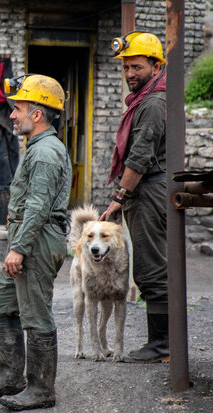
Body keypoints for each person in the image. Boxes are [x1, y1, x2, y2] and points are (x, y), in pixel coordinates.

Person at [0, 74, 71, 411]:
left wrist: (18, 249)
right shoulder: (38, 148)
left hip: (37, 242)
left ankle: (42, 389)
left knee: (36, 316)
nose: (13, 115)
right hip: (30, 239)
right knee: (1, 306)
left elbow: (38, 207)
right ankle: (11, 379)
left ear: (38, 114)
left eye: (18, 108)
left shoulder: (45, 153)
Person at [100, 31, 168, 363]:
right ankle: (163, 342)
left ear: (156, 66)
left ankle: (163, 343)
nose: (130, 75)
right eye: (126, 68)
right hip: (146, 189)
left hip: (150, 190)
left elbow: (140, 156)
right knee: (148, 266)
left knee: (151, 268)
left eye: (137, 67)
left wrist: (119, 197)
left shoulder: (154, 102)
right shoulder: (145, 98)